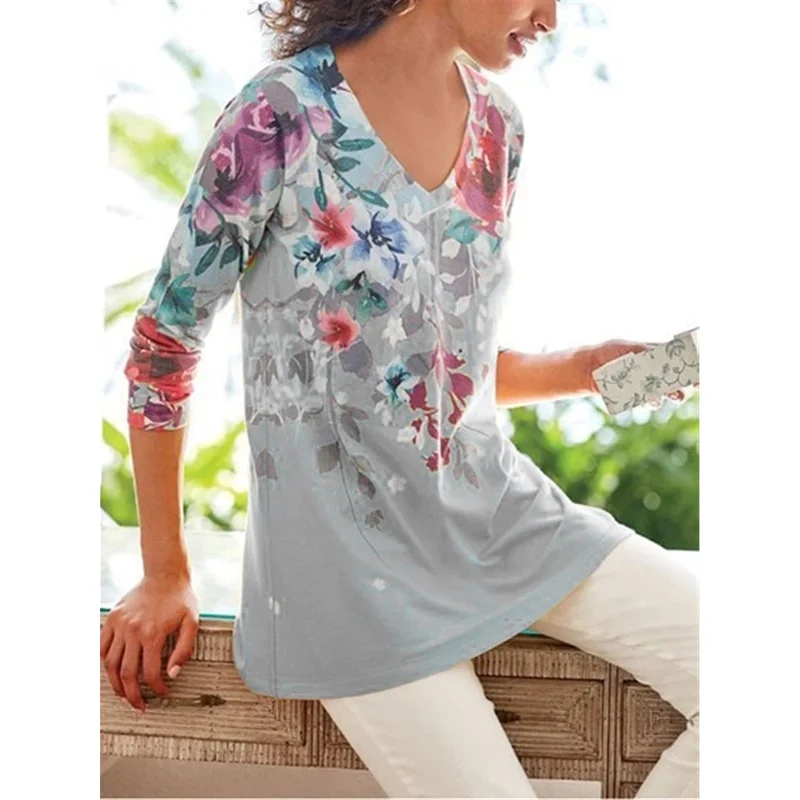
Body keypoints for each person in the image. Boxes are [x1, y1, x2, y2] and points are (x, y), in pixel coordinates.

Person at [100, 1, 699, 797]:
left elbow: (437, 371)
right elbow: (164, 344)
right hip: (348, 571)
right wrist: (164, 569)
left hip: (502, 521)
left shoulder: (499, 130)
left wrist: (586, 367)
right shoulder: (278, 114)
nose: (552, 17)